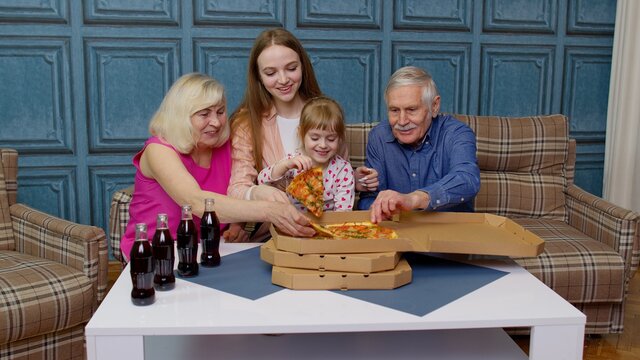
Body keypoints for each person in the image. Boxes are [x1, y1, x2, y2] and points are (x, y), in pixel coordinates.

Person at [121, 73, 314, 259]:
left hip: (211, 246)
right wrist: (270, 211)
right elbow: (195, 202)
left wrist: (236, 225)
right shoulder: (158, 149)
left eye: (220, 112)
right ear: (181, 116)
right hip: (156, 249)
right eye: (204, 114)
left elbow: (237, 190)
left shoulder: (225, 147)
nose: (216, 122)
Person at [228, 28, 377, 206]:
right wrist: (257, 192)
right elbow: (237, 189)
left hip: (324, 225)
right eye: (270, 73)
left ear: (303, 67)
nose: (283, 80)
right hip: (273, 227)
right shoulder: (246, 123)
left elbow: (335, 176)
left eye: (291, 68)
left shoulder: (326, 114)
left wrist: (355, 181)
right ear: (258, 77)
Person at [357, 66, 481, 223]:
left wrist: (413, 199)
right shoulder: (379, 136)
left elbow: (468, 179)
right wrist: (378, 209)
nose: (402, 121)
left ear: (434, 106)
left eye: (411, 109)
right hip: (398, 233)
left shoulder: (457, 133)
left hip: (450, 235)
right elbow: (369, 198)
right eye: (394, 110)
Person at [257, 96, 355, 212]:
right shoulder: (294, 162)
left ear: (339, 138)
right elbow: (262, 181)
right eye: (314, 138)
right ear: (301, 134)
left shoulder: (343, 170)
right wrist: (285, 166)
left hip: (329, 226)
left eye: (331, 139)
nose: (323, 145)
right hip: (293, 224)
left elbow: (343, 213)